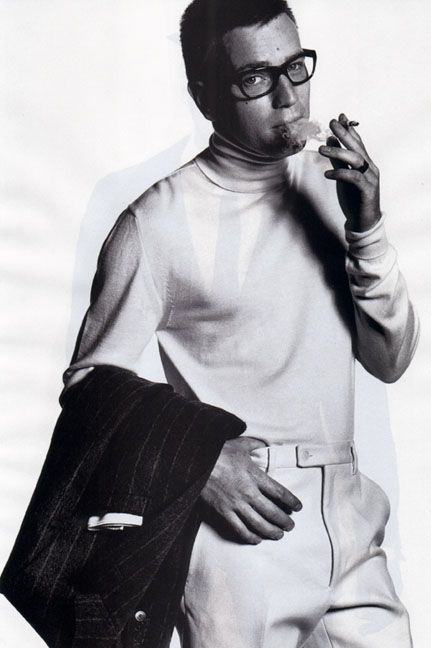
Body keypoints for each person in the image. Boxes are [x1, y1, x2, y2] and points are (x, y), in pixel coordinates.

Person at [62, 0, 419, 646]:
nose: (287, 95)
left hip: (351, 517)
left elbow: (389, 360)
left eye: (296, 67)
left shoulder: (332, 187)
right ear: (204, 96)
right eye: (255, 77)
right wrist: (195, 463)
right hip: (241, 541)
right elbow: (89, 389)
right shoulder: (157, 222)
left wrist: (366, 226)